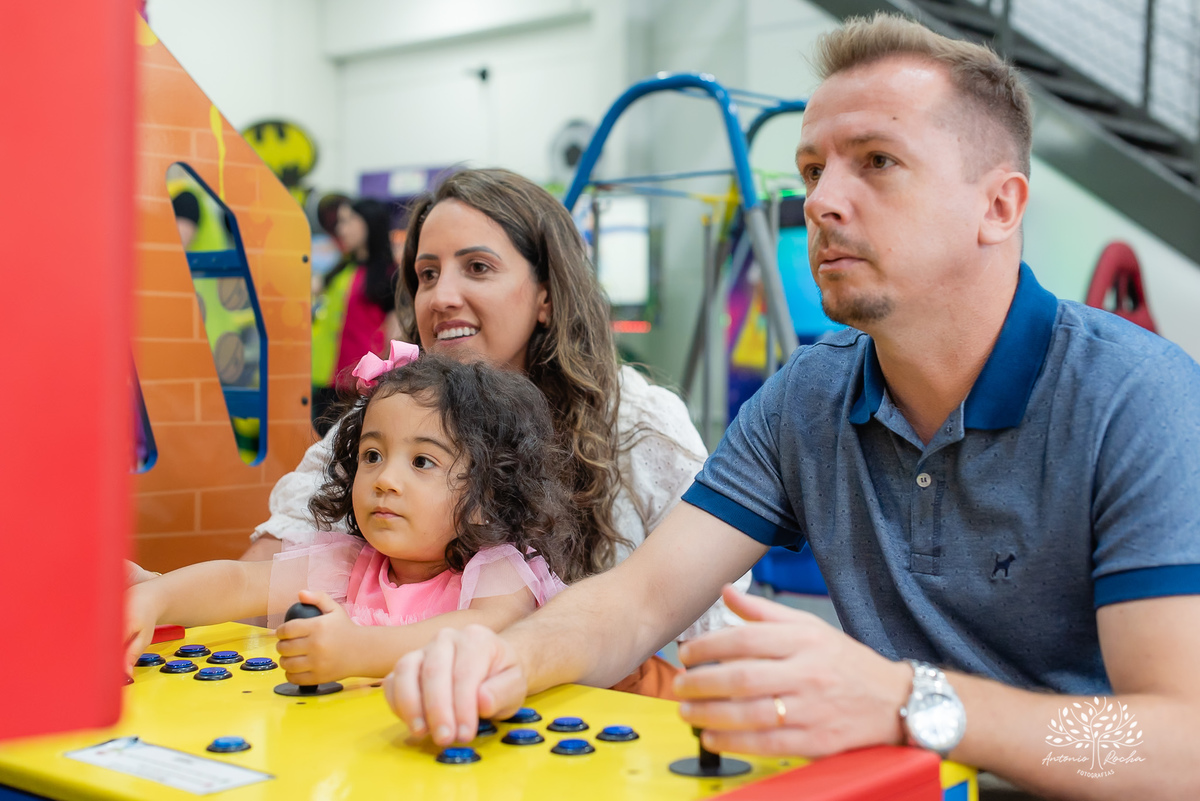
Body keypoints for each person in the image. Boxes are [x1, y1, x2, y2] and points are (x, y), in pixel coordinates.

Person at [383, 15, 1200, 799]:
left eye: (876, 161)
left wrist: (906, 702)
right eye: (812, 170)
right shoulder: (811, 393)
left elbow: (1177, 746)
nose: (819, 202)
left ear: (999, 206)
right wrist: (501, 660)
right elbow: (637, 600)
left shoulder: (1136, 399)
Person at [240, 169, 750, 683]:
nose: (441, 297)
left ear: (546, 296)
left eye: (478, 268)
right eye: (428, 274)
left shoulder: (634, 420)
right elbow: (267, 568)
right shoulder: (386, 421)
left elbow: (720, 627)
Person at [125, 349, 572, 683]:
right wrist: (159, 596)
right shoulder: (348, 563)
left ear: (486, 492)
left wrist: (360, 651)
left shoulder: (499, 573)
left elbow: (481, 632)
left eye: (421, 462)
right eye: (372, 455)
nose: (384, 479)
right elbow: (240, 583)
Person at [311, 198, 409, 434]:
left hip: (359, 386)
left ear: (368, 223)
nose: (340, 229)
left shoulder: (388, 274)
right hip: (324, 380)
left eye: (346, 221)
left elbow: (395, 334)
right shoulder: (341, 270)